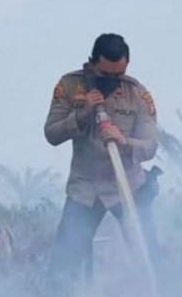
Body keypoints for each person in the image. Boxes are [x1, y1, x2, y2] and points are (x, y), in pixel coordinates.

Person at [44, 33, 159, 281]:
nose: (113, 82)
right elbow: (51, 133)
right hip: (85, 189)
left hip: (127, 186)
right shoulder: (70, 86)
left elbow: (150, 147)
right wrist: (82, 113)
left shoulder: (137, 94)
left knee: (150, 258)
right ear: (92, 62)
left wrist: (124, 141)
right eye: (105, 75)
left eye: (118, 75)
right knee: (64, 264)